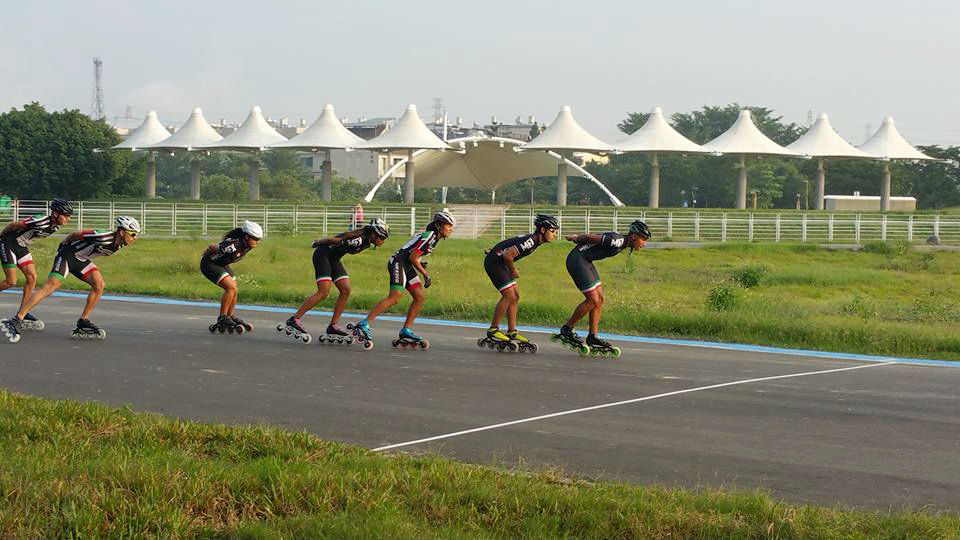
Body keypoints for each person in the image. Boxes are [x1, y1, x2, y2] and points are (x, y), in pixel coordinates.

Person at [1, 215, 141, 343]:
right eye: (133, 234)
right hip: (67, 257)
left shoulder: (119, 244)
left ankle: (83, 321)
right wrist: (62, 248)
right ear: (122, 232)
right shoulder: (104, 236)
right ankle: (18, 319)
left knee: (99, 285)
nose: (135, 238)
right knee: (50, 287)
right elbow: (75, 234)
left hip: (82, 260)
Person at [349, 210, 455, 350]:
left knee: (419, 297)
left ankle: (406, 330)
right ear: (440, 225)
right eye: (449, 226)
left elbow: (413, 254)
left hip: (406, 264)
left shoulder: (433, 237)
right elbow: (412, 257)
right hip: (399, 262)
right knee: (395, 297)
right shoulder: (430, 236)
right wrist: (425, 274)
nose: (451, 229)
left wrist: (420, 264)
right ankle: (364, 323)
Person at [279, 218, 390, 344]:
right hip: (323, 255)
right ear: (374, 234)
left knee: (345, 290)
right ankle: (294, 319)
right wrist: (318, 242)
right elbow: (336, 240)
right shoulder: (359, 240)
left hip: (334, 258)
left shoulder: (366, 240)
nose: (383, 241)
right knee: (323, 292)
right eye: (382, 238)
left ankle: (333, 325)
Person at [553, 219, 652, 357]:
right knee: (592, 300)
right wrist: (576, 238)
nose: (644, 243)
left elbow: (597, 237)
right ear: (634, 236)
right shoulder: (618, 241)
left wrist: (579, 240)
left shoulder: (621, 242)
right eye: (644, 239)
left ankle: (592, 336)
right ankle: (567, 329)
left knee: (600, 300)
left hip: (585, 260)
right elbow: (589, 237)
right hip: (578, 260)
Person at [479, 214, 558, 353]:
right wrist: (513, 270)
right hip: (495, 263)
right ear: (543, 230)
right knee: (508, 296)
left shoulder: (534, 240)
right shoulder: (531, 241)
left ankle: (512, 331)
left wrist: (496, 251)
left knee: (515, 296)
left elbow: (510, 244)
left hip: (499, 260)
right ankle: (493, 329)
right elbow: (508, 255)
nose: (555, 234)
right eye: (553, 230)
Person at [0, 199, 74, 330]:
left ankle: (23, 312)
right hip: (8, 243)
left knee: (32, 277)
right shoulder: (40, 221)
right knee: (11, 281)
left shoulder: (55, 226)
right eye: (66, 215)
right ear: (56, 214)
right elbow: (14, 225)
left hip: (21, 246)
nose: (68, 219)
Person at [201, 220, 262, 335]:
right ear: (247, 236)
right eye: (255, 238)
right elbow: (214, 246)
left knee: (235, 289)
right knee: (231, 288)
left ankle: (230, 315)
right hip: (209, 264)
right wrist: (211, 249)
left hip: (221, 264)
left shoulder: (247, 245)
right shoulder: (234, 245)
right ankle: (223, 317)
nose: (257, 242)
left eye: (259, 240)